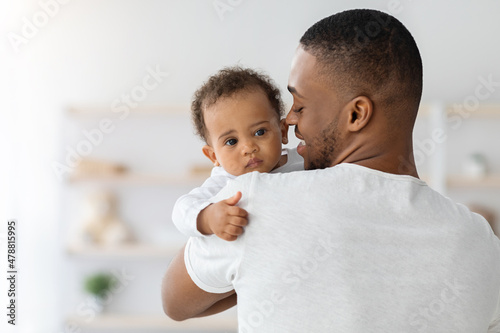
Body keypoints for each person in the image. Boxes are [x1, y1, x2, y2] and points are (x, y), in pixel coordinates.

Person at [162, 9, 500, 332]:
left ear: (356, 115)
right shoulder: (481, 241)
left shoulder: (252, 204)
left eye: (301, 105)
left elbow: (174, 302)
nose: (289, 121)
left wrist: (258, 271)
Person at [172, 66, 303, 241]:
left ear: (283, 131)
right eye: (231, 141)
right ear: (213, 156)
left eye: (260, 132)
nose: (248, 148)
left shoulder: (302, 161)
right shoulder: (223, 182)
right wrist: (208, 218)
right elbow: (181, 211)